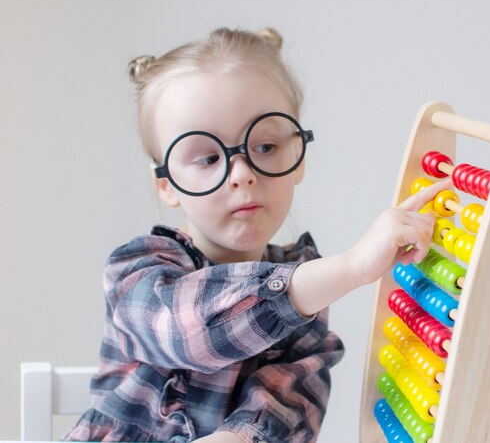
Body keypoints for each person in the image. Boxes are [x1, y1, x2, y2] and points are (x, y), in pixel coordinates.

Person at [62, 27, 451, 443]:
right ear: (167, 184)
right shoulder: (136, 273)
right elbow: (188, 333)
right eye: (209, 157)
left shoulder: (308, 290)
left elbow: (290, 403)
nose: (243, 174)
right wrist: (351, 268)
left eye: (265, 147)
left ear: (298, 155)